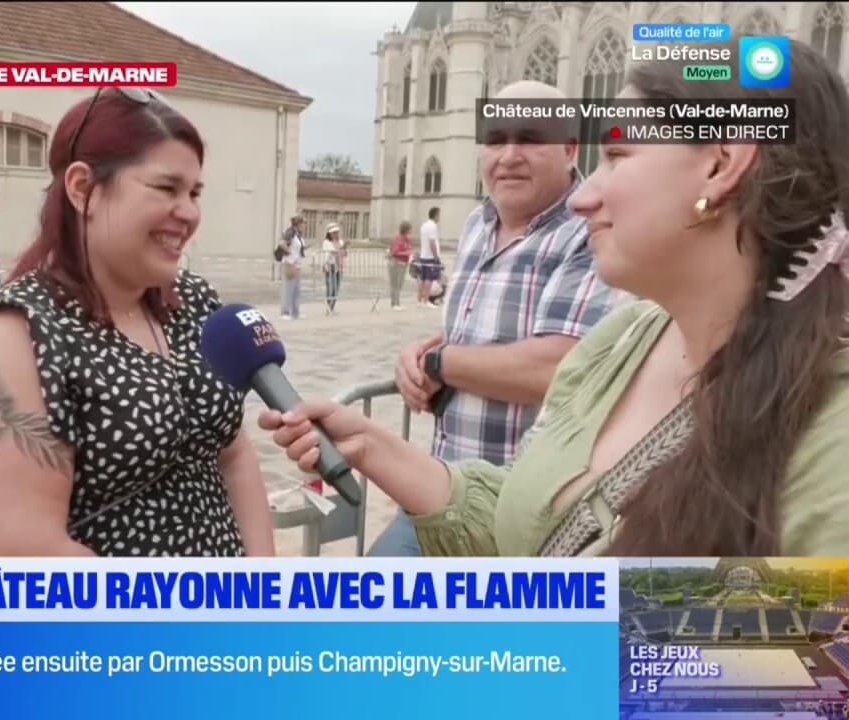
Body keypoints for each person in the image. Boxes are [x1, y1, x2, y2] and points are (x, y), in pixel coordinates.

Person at [260, 38, 849, 557]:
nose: (581, 199)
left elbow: (783, 668)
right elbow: (538, 538)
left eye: (617, 155)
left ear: (722, 163)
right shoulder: (623, 341)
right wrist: (375, 447)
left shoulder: (832, 441)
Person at [0, 86, 275, 557]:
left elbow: (234, 457)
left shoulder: (193, 302)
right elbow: (28, 549)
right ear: (81, 188)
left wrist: (261, 589)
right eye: (166, 188)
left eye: (194, 192)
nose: (190, 212)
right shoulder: (9, 339)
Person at [365, 79, 624, 557]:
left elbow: (558, 365)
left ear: (569, 148)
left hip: (525, 517)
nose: (508, 155)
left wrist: (440, 363)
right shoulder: (477, 223)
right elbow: (482, 334)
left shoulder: (591, 229)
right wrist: (421, 353)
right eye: (496, 139)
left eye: (529, 138)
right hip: (440, 488)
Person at [413, 206, 443, 307]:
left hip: (423, 255)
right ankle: (426, 301)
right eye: (439, 215)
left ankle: (420, 300)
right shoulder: (432, 226)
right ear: (435, 215)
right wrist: (436, 257)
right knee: (429, 279)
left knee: (422, 278)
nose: (439, 218)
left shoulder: (424, 226)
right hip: (430, 256)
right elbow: (432, 242)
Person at [277, 216, 305, 319]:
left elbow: (298, 248)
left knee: (296, 289)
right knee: (288, 288)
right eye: (303, 224)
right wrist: (289, 253)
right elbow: (282, 244)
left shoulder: (298, 235)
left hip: (297, 264)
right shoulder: (291, 232)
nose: (304, 226)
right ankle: (285, 312)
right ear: (298, 224)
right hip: (290, 263)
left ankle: (295, 311)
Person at [320, 222, 347, 313]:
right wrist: (341, 249)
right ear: (329, 233)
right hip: (330, 266)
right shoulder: (326, 242)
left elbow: (344, 253)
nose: (335, 234)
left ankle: (332, 307)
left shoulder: (340, 241)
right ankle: (328, 306)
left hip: (339, 266)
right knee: (330, 286)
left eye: (336, 232)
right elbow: (331, 252)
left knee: (336, 287)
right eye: (333, 232)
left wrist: (344, 248)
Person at [387, 220, 412, 310]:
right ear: (405, 229)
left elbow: (409, 249)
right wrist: (406, 253)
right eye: (409, 229)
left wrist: (409, 254)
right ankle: (394, 304)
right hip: (395, 263)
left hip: (404, 263)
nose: (410, 231)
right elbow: (394, 252)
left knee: (400, 283)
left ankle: (397, 302)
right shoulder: (398, 239)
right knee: (395, 284)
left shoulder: (408, 240)